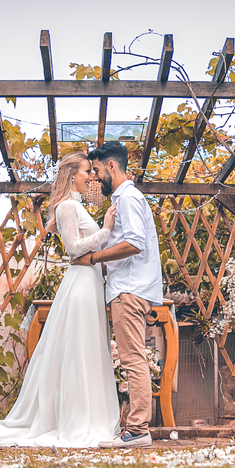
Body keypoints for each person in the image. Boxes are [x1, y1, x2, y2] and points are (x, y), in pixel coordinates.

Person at [0, 152, 121, 447]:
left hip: (91, 284)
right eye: (85, 171)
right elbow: (74, 249)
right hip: (80, 286)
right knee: (78, 351)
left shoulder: (78, 206)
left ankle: (92, 415)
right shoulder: (67, 206)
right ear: (71, 176)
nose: (90, 176)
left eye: (92, 172)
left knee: (89, 350)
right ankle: (74, 418)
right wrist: (105, 230)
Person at [76, 141, 164, 448]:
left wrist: (95, 258)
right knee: (133, 357)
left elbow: (136, 242)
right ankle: (135, 428)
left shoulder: (128, 197)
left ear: (112, 166)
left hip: (129, 288)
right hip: (129, 286)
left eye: (98, 170)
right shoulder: (125, 198)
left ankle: (138, 429)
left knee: (132, 358)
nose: (96, 177)